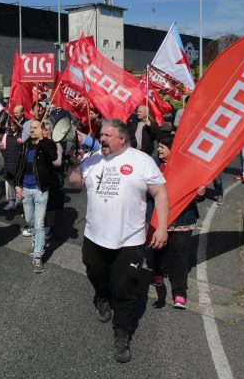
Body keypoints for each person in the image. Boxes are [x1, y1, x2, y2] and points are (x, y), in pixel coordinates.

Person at [67, 118, 169, 363]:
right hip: (94, 236)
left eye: (107, 135)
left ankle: (122, 333)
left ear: (122, 138)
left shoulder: (142, 161)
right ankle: (101, 296)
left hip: (129, 240)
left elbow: (160, 193)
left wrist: (162, 227)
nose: (101, 139)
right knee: (95, 272)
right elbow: (73, 183)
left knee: (125, 287)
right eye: (101, 135)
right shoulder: (92, 161)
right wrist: (74, 163)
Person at [151, 135, 203, 310]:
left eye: (163, 147)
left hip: (183, 217)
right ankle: (158, 272)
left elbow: (198, 191)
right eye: (158, 147)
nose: (158, 150)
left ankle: (180, 292)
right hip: (161, 216)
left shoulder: (188, 168)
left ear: (173, 151)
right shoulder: (155, 167)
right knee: (160, 246)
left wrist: (200, 191)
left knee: (180, 253)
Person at [15, 119, 58, 273]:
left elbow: (53, 156)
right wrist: (17, 185)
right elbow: (19, 166)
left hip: (40, 190)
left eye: (35, 128)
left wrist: (42, 140)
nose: (32, 130)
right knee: (30, 220)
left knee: (39, 224)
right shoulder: (25, 145)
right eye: (31, 127)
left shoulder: (47, 144)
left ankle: (38, 257)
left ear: (42, 130)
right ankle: (34, 242)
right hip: (25, 189)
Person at [0, 118, 23, 210]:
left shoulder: (21, 135)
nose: (12, 126)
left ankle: (19, 199)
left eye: (14, 124)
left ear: (18, 125)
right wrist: (0, 144)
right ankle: (11, 202)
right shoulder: (6, 135)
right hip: (8, 162)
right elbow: (3, 149)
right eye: (10, 124)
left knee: (19, 182)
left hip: (19, 163)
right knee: (9, 183)